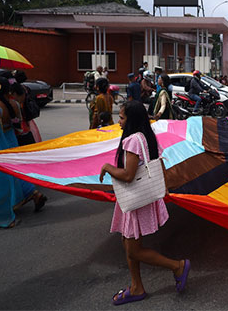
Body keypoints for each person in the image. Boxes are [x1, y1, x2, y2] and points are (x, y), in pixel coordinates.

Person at [99, 101, 190, 305]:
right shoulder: (147, 136)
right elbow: (159, 163)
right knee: (127, 242)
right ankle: (136, 286)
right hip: (141, 197)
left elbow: (128, 175)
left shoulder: (132, 140)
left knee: (134, 250)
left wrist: (107, 167)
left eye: (122, 118)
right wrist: (163, 184)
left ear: (131, 120)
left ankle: (177, 266)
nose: (119, 122)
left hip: (135, 199)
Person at [0, 77, 47, 228]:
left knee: (0, 178)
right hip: (12, 142)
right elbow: (18, 128)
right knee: (14, 172)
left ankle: (2, 208)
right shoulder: (15, 104)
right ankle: (34, 194)